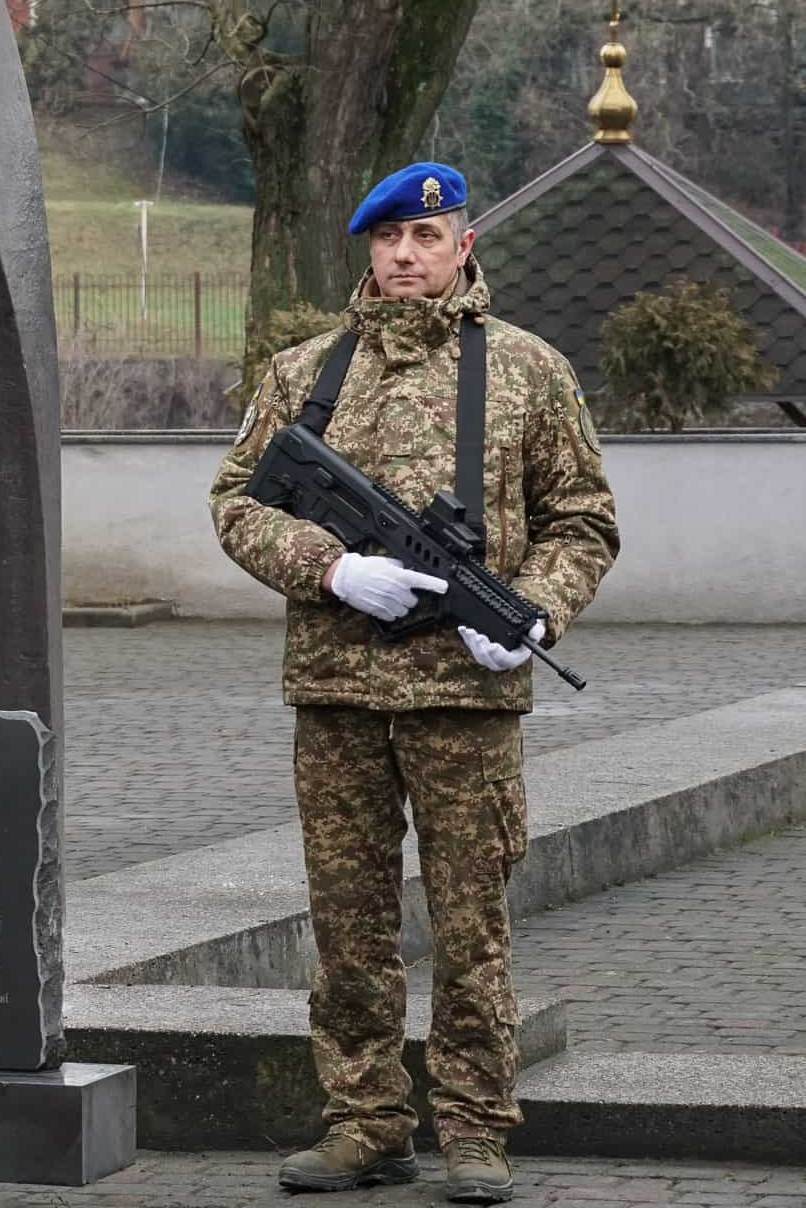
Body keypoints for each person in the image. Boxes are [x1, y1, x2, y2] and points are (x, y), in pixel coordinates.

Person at [210, 162, 618, 1204]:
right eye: (389, 237)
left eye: (426, 237)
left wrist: (535, 612)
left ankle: (475, 1129)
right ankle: (365, 1123)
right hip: (337, 691)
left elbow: (581, 520)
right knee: (347, 926)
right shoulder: (306, 372)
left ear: (463, 244)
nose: (404, 254)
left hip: (464, 699)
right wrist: (332, 569)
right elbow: (237, 502)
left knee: (471, 928)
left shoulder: (528, 370)